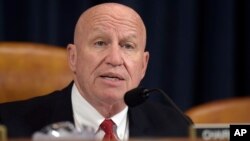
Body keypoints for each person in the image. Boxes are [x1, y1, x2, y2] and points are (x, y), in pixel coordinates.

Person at [0, 2, 192, 140]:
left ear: (143, 65)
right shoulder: (8, 126)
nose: (115, 59)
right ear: (73, 57)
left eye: (128, 46)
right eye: (100, 43)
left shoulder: (177, 128)